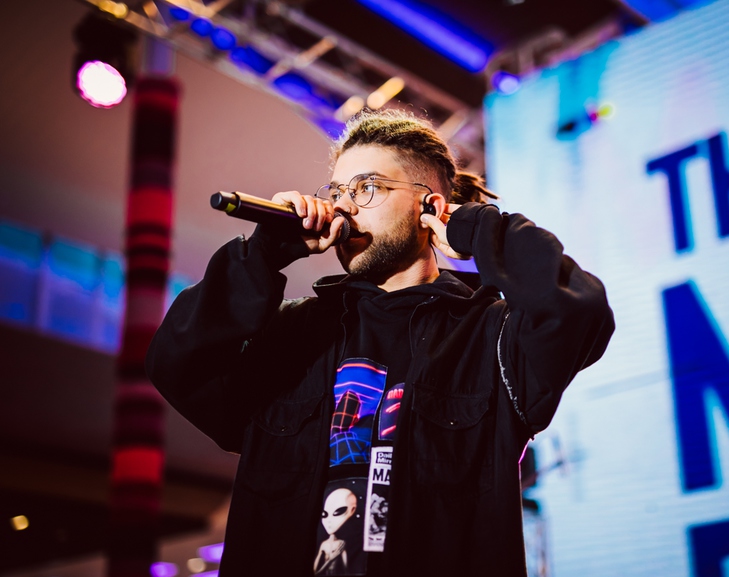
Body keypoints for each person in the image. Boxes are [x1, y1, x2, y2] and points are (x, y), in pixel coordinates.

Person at [145, 108, 615, 576]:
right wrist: (263, 255)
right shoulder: (288, 335)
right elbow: (175, 360)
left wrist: (479, 230)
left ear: (430, 206)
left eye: (367, 187)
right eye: (338, 192)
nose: (345, 207)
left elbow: (578, 311)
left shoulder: (491, 338)